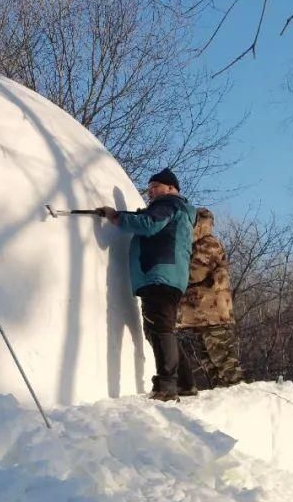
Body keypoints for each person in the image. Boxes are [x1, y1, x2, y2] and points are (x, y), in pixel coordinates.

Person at [99, 168, 196, 401]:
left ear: (171, 188)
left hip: (159, 274)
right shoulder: (175, 208)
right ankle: (184, 382)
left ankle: (167, 386)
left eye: (156, 186)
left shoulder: (168, 204)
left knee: (160, 329)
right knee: (160, 329)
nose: (151, 191)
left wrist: (116, 217)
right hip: (165, 275)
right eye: (149, 188)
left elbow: (149, 224)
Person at [176, 207, 243, 390]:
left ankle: (236, 391)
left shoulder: (207, 244)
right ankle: (223, 391)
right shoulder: (198, 243)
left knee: (221, 355)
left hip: (212, 310)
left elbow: (196, 272)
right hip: (204, 310)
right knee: (208, 354)